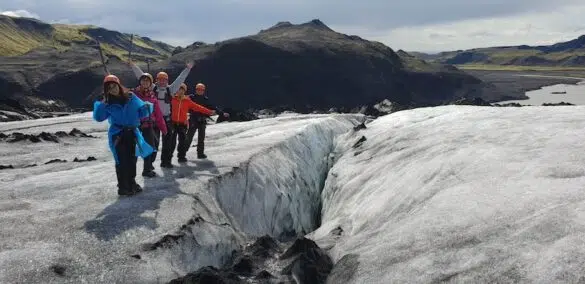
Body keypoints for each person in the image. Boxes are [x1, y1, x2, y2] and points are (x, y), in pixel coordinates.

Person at [93, 74, 155, 196]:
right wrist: (102, 103)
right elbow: (99, 117)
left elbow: (142, 112)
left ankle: (131, 182)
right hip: (118, 135)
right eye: (109, 87)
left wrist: (148, 106)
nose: (113, 89)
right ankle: (123, 187)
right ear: (107, 90)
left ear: (119, 85)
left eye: (114, 86)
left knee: (132, 159)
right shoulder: (108, 103)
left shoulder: (131, 97)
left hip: (132, 133)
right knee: (121, 160)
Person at [129, 60, 193, 168]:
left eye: (164, 80)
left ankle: (165, 162)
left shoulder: (171, 89)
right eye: (160, 79)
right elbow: (141, 76)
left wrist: (187, 69)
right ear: (157, 80)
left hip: (167, 120)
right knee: (154, 142)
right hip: (154, 120)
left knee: (167, 143)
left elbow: (180, 79)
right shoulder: (152, 88)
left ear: (167, 81)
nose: (162, 81)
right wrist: (133, 66)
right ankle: (150, 163)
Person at [161, 83, 214, 167]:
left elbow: (198, 107)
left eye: (182, 90)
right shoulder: (172, 99)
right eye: (179, 89)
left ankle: (181, 156)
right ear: (176, 90)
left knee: (182, 141)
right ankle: (167, 160)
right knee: (172, 142)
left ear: (184, 91)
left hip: (183, 124)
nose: (180, 91)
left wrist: (209, 111)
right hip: (173, 123)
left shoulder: (187, 100)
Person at [132, 72, 168, 177]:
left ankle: (147, 169)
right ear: (140, 82)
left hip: (149, 126)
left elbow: (158, 114)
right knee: (135, 150)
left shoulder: (152, 96)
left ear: (150, 83)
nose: (145, 82)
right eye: (143, 80)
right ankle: (134, 174)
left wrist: (164, 128)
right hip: (136, 126)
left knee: (150, 147)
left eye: (147, 81)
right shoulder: (133, 95)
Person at [184, 83, 229, 159]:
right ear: (196, 90)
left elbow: (213, 107)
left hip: (202, 120)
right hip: (193, 119)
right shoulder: (191, 97)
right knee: (189, 137)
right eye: (198, 89)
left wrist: (222, 113)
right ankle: (183, 153)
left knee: (201, 138)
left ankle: (200, 154)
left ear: (203, 91)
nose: (200, 91)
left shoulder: (205, 99)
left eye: (201, 90)